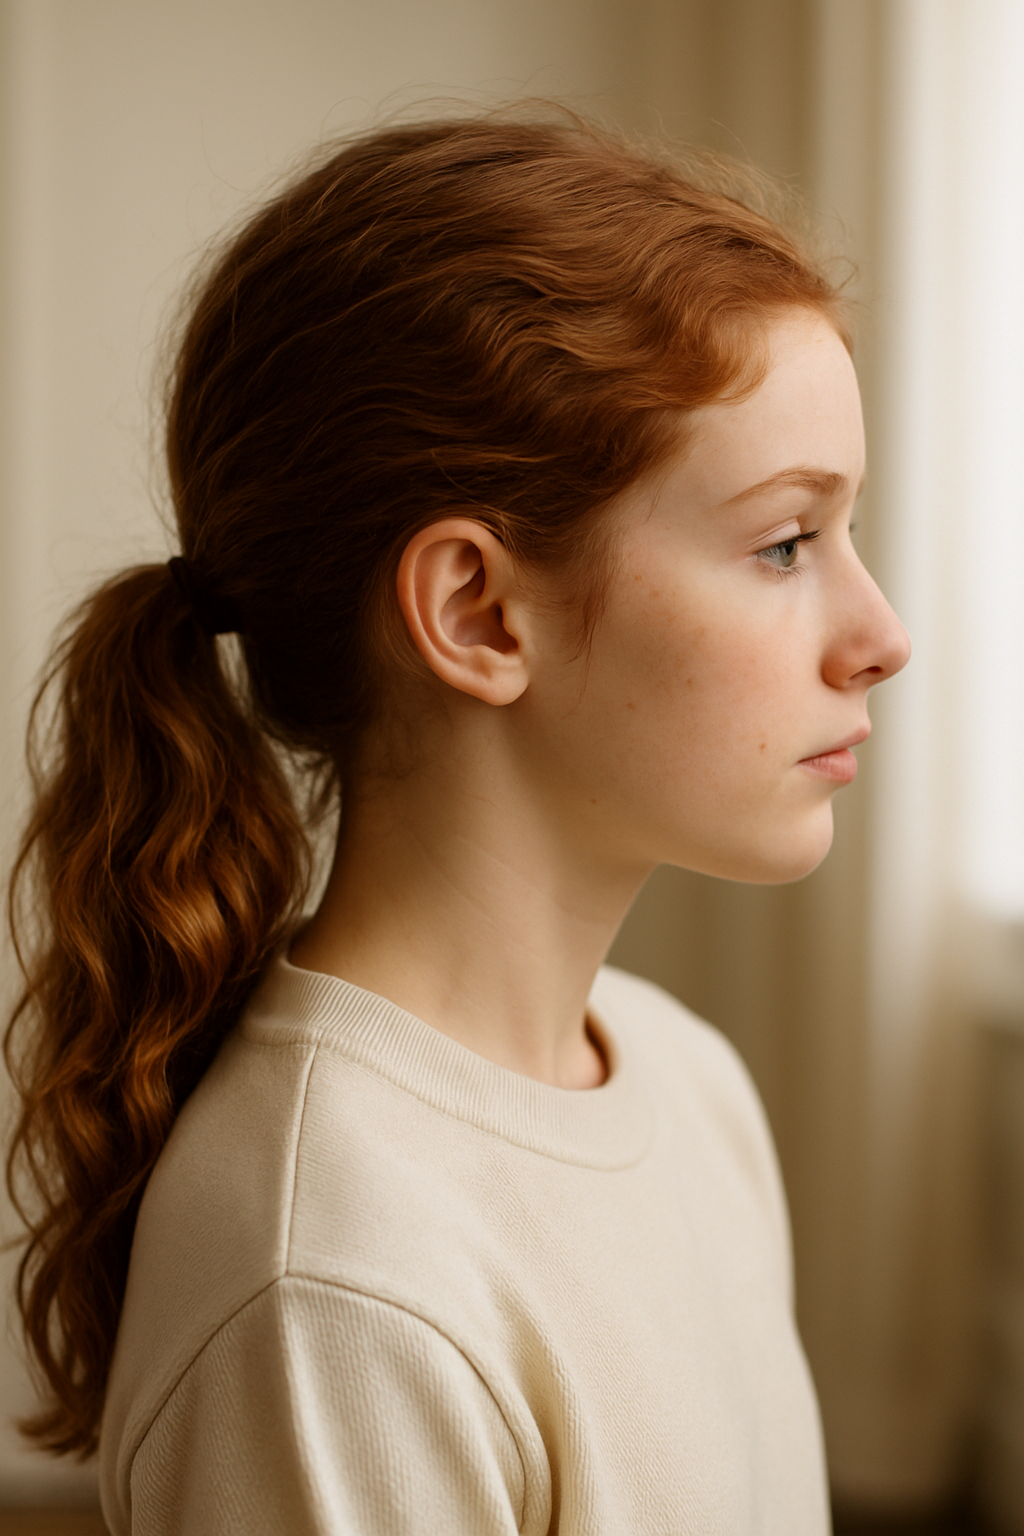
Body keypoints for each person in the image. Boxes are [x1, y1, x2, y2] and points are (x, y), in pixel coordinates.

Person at [4, 109, 910, 1534]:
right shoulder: (337, 1292)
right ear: (478, 612)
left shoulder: (690, 1086)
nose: (881, 634)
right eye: (786, 540)